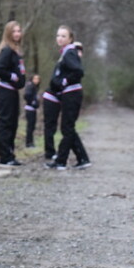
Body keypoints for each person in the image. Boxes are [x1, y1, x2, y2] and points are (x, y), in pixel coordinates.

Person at [45, 26, 91, 170]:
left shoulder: (70, 52)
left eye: (64, 36)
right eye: (58, 35)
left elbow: (78, 71)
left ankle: (61, 161)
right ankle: (82, 158)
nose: (60, 38)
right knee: (68, 128)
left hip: (72, 94)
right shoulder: (66, 52)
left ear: (70, 39)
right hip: (69, 94)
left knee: (67, 128)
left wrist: (64, 81)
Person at [0, 20, 26, 166]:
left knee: (13, 123)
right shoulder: (6, 50)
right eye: (14, 31)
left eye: (19, 31)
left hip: (13, 92)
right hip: (6, 91)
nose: (17, 34)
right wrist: (13, 77)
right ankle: (5, 157)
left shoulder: (16, 51)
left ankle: (10, 154)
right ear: (8, 33)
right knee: (6, 122)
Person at [23, 74, 41, 148]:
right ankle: (28, 143)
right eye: (35, 78)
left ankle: (31, 142)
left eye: (38, 79)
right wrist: (32, 102)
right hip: (29, 109)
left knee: (32, 126)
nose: (37, 80)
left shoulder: (35, 87)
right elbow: (26, 95)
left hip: (33, 109)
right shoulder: (30, 86)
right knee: (30, 127)